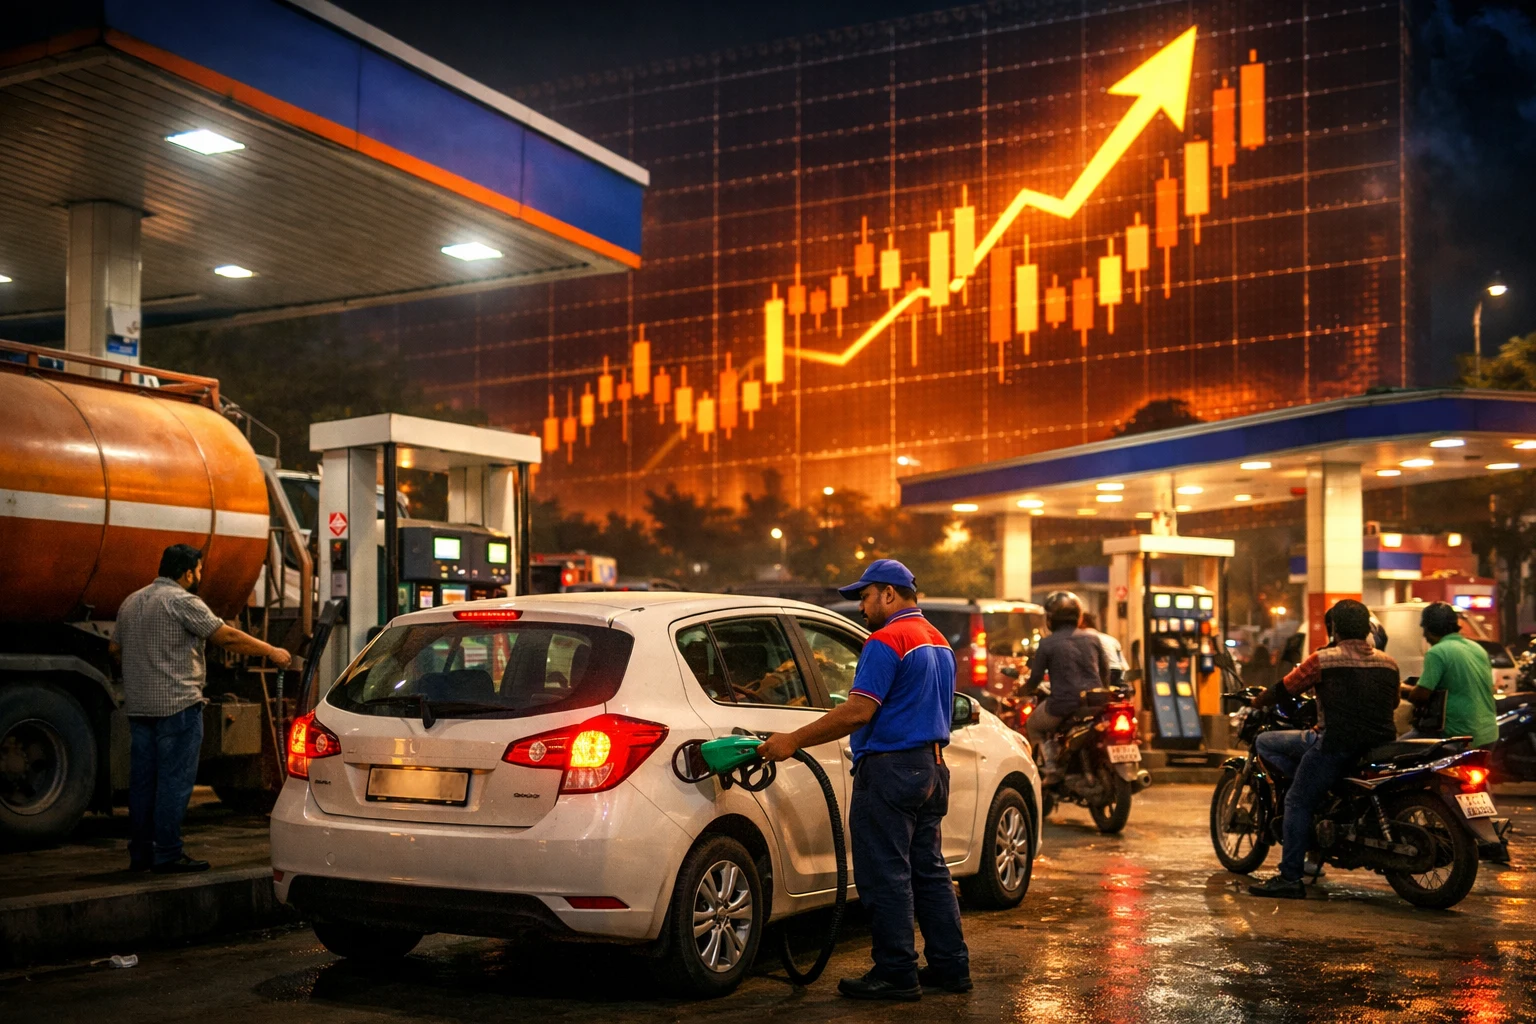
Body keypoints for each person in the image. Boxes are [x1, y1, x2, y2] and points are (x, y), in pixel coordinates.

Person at [757, 558, 969, 1001]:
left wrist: (792, 740)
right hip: (932, 768)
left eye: (866, 597)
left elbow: (858, 711)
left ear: (889, 594)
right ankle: (951, 967)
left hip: (891, 771)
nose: (861, 607)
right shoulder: (938, 642)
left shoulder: (886, 640)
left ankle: (896, 972)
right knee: (929, 872)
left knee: (886, 874)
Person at [111, 544, 292, 873]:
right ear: (186, 573)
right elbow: (227, 637)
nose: (199, 575)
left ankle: (141, 854)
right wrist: (271, 651)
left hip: (139, 708)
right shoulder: (182, 601)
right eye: (198, 569)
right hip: (178, 707)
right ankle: (167, 854)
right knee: (174, 782)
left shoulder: (131, 602)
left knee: (143, 785)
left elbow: (114, 649)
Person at [1246, 599, 1399, 899]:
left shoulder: (1323, 660)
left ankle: (1290, 877)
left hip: (1336, 745)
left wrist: (1257, 701)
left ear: (1334, 629)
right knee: (1306, 776)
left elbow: (1286, 688)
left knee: (1295, 797)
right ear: (1367, 629)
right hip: (1380, 747)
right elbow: (1391, 703)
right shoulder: (1389, 663)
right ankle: (1317, 788)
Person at [1024, 591, 1110, 782]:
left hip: (1063, 705)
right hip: (1096, 704)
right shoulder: (1093, 639)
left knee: (1033, 725)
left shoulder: (1047, 644)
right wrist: (1104, 692)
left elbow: (1035, 678)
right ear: (1079, 616)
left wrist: (1024, 690)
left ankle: (1051, 767)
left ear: (1050, 619)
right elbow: (1105, 672)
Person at [1401, 602, 1498, 747]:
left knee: (1395, 749)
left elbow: (1421, 695)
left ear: (1428, 630)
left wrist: (1401, 688)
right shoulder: (1478, 649)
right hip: (1488, 736)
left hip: (1456, 736)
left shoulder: (1437, 652)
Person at [1079, 611, 1126, 686]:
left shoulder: (1086, 637)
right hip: (1117, 671)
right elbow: (1123, 665)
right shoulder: (1110, 639)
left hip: (1102, 672)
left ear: (1083, 623)